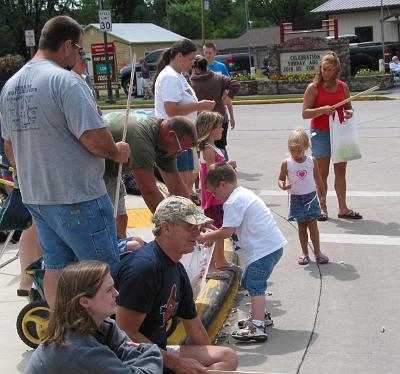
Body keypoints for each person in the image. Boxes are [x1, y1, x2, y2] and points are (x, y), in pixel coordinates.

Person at [0, 16, 130, 308]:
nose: (79, 57)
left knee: (56, 265)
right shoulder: (66, 81)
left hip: (37, 196)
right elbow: (94, 138)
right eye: (79, 51)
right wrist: (116, 151)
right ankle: (106, 334)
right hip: (77, 196)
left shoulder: (11, 86)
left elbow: (10, 148)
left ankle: (63, 332)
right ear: (67, 45)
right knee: (101, 270)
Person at [113, 196, 238, 373]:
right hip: (129, 358)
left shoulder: (177, 269)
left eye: (198, 227)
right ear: (166, 228)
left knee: (227, 357)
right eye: (190, 227)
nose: (197, 233)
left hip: (156, 351)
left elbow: (195, 330)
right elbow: (125, 333)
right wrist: (177, 364)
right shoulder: (143, 269)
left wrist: (203, 367)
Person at [198, 163, 287, 342]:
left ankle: (258, 325)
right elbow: (228, 230)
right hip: (269, 247)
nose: (215, 197)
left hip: (262, 251)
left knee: (255, 284)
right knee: (248, 280)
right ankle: (260, 316)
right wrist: (213, 232)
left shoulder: (233, 201)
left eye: (214, 193)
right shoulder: (242, 194)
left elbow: (226, 232)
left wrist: (203, 238)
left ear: (223, 184)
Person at [25, 261, 163, 374]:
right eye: (109, 289)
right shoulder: (78, 350)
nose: (117, 293)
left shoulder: (101, 325)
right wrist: (151, 351)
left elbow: (122, 348)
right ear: (84, 301)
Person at [0, 54, 43, 297]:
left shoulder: (6, 99)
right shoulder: (11, 101)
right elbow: (9, 144)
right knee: (34, 225)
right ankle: (28, 282)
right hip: (23, 170)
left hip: (20, 169)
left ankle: (28, 281)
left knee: (33, 226)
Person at [302, 51, 362, 221]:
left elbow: (349, 107)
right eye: (324, 69)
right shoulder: (313, 88)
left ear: (336, 70)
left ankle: (343, 208)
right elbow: (305, 113)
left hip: (339, 132)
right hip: (320, 133)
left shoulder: (343, 86)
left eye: (330, 70)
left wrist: (349, 113)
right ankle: (322, 207)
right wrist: (323, 110)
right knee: (322, 173)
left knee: (341, 172)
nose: (327, 73)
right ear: (320, 68)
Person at [152, 39, 215, 200]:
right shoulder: (170, 77)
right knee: (179, 188)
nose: (191, 64)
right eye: (190, 59)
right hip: (174, 138)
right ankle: (177, 222)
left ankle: (181, 221)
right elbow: (171, 109)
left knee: (185, 184)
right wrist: (198, 106)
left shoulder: (177, 76)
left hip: (182, 137)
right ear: (179, 56)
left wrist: (197, 107)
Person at [104, 115, 197, 218]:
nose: (179, 154)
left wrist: (194, 216)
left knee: (120, 219)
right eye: (181, 149)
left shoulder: (166, 144)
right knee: (106, 221)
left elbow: (176, 185)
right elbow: (149, 192)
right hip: (94, 172)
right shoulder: (142, 140)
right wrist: (172, 225)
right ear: (171, 135)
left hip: (111, 174)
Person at [195, 111, 239, 280]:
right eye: (218, 126)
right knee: (216, 232)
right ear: (210, 129)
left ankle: (219, 261)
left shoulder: (213, 148)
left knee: (220, 231)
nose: (222, 128)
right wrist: (228, 165)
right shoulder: (208, 149)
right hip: (214, 199)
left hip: (218, 197)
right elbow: (214, 172)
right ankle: (211, 266)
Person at [278, 128, 329, 265]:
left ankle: (318, 253)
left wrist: (322, 196)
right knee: (301, 227)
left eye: (299, 150)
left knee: (313, 226)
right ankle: (304, 253)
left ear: (306, 147)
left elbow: (318, 179)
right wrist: (283, 185)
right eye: (293, 150)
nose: (296, 154)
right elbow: (281, 179)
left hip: (311, 197)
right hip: (296, 199)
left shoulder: (312, 161)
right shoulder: (287, 163)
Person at [191, 55, 240, 162]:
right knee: (220, 148)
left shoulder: (191, 82)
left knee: (202, 149)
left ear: (196, 68)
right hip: (220, 118)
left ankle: (207, 173)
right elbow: (235, 84)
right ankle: (224, 170)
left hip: (202, 120)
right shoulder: (218, 78)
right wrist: (228, 98)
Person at [202, 42, 236, 158]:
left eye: (210, 53)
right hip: (206, 111)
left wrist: (231, 116)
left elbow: (228, 91)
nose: (207, 55)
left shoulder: (221, 67)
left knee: (220, 141)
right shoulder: (201, 67)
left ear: (215, 53)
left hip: (220, 110)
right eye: (205, 53)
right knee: (206, 141)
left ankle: (223, 163)